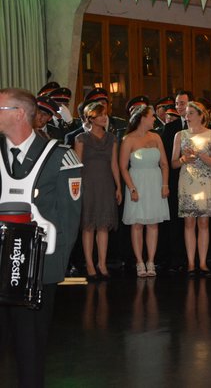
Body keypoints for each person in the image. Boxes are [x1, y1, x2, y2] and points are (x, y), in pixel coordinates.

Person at [0, 88, 82, 388]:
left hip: (35, 272)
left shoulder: (60, 157)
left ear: (19, 114)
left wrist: (51, 273)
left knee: (30, 349)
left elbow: (68, 220)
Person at [171, 101, 211, 277]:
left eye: (191, 113)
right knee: (189, 222)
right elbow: (173, 163)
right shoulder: (180, 135)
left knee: (204, 223)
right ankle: (191, 263)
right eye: (186, 113)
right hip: (187, 181)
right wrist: (183, 159)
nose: (187, 116)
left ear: (201, 115)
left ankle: (203, 262)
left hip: (206, 181)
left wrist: (201, 155)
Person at [120, 106, 170, 277]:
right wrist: (132, 188)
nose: (155, 119)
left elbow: (164, 164)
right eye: (152, 116)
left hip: (155, 182)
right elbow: (123, 167)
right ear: (142, 118)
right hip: (137, 182)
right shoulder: (128, 139)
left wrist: (165, 185)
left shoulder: (156, 137)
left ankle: (151, 261)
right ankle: (139, 262)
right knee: (137, 224)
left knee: (153, 223)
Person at [74, 102, 122, 281]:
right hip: (87, 185)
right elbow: (77, 166)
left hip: (106, 185)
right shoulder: (81, 138)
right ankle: (89, 264)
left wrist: (118, 186)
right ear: (91, 118)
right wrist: (77, 190)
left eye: (105, 114)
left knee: (103, 225)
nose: (104, 118)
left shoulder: (112, 138)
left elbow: (114, 164)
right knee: (88, 226)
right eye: (100, 115)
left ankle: (102, 263)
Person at [159, 90, 191, 271]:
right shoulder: (171, 128)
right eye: (177, 103)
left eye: (183, 103)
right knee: (175, 220)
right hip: (175, 178)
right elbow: (164, 158)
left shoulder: (203, 125)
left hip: (196, 180)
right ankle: (176, 257)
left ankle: (193, 257)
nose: (179, 107)